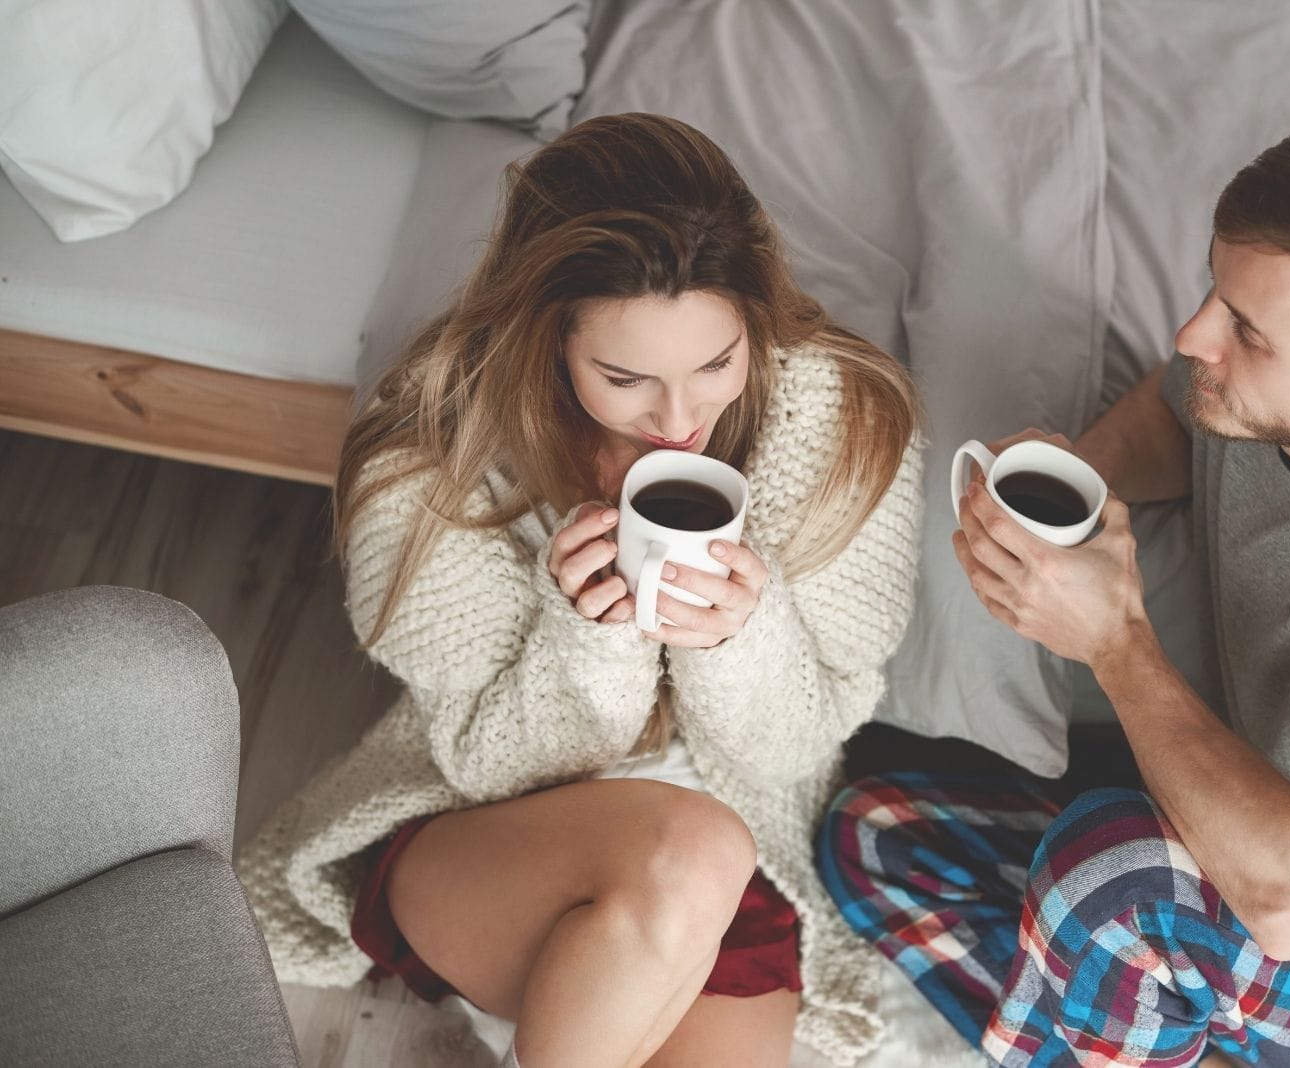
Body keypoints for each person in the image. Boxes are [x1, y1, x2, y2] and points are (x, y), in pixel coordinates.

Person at [819, 112, 1290, 1066]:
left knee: (1111, 883)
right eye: (1214, 293)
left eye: (1246, 331)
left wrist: (1115, 639)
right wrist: (1076, 484)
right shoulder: (1272, 393)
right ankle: (1145, 1027)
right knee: (874, 831)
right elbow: (1174, 413)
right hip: (1245, 836)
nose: (1193, 335)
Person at [238, 112, 923, 1068]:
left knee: (713, 852)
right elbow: (485, 761)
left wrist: (739, 636)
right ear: (547, 336)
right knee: (694, 848)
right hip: (491, 833)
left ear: (755, 319)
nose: (679, 418)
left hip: (743, 864)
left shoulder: (845, 427)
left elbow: (796, 746)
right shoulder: (432, 455)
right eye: (626, 376)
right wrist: (590, 632)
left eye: (716, 364)